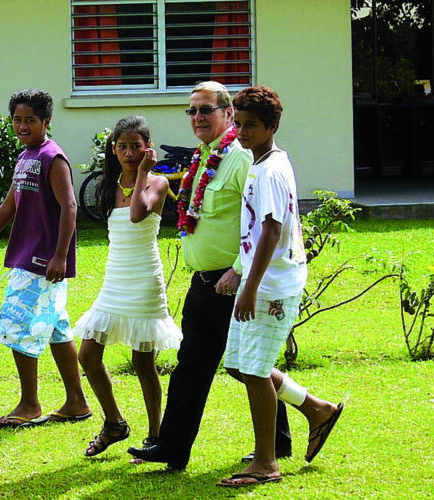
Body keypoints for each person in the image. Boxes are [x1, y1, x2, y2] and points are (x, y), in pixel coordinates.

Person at [128, 81, 294, 470]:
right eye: (192, 111)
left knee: (247, 367)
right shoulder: (204, 156)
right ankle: (172, 447)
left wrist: (239, 272)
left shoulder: (239, 158)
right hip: (202, 281)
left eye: (206, 110)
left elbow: (258, 225)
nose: (198, 118)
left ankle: (283, 438)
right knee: (193, 367)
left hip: (229, 282)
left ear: (227, 114)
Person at [217, 86, 343, 488]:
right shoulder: (261, 162)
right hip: (260, 279)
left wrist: (250, 286)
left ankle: (267, 463)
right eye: (238, 123)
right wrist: (242, 273)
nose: (241, 131)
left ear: (272, 126)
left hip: (272, 285)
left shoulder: (270, 168)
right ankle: (316, 409)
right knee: (239, 365)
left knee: (252, 370)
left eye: (251, 125)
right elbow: (258, 229)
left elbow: (272, 228)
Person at [0, 88, 91, 428]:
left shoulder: (52, 157)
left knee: (18, 327)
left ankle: (30, 404)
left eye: (30, 120)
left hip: (42, 261)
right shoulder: (26, 156)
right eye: (17, 119)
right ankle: (76, 401)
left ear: (47, 121)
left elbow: (69, 207)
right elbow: (9, 206)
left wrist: (60, 255)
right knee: (58, 329)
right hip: (28, 255)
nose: (22, 126)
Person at [73, 116, 182, 457]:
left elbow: (137, 214)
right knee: (88, 354)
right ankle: (115, 423)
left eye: (136, 146)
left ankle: (155, 435)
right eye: (122, 146)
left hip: (145, 279)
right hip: (115, 277)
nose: (129, 152)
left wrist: (143, 175)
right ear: (113, 149)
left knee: (142, 361)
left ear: (147, 147)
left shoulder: (158, 183)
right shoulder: (107, 185)